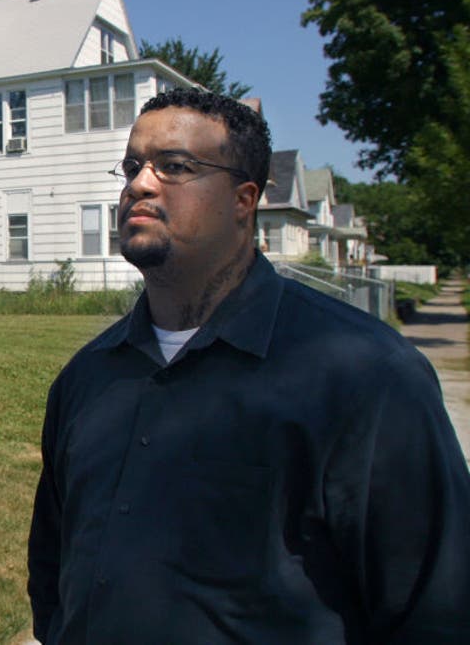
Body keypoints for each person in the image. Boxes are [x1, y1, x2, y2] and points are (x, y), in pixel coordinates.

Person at [27, 88, 470, 643]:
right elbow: (53, 580)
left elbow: (437, 612)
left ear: (244, 200)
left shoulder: (366, 377)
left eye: (175, 166)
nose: (139, 184)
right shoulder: (85, 380)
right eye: (133, 166)